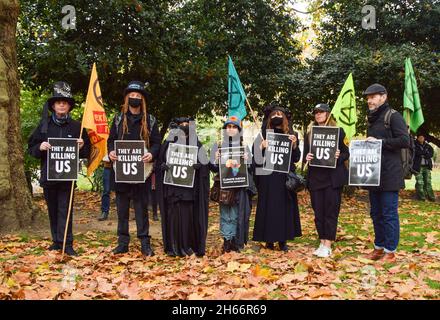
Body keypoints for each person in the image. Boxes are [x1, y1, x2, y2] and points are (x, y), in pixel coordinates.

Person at [27, 81, 91, 256]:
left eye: (65, 102)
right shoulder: (44, 125)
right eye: (58, 102)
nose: (61, 104)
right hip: (49, 176)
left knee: (66, 209)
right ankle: (56, 241)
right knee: (53, 209)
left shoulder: (78, 127)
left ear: (69, 106)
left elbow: (87, 152)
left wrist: (82, 145)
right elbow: (31, 148)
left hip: (68, 178)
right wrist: (40, 147)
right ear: (53, 105)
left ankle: (67, 243)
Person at [107, 81, 161, 256]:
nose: (135, 98)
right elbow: (110, 140)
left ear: (142, 100)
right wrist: (111, 152)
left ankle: (145, 242)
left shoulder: (150, 120)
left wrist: (151, 154)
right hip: (122, 171)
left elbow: (157, 143)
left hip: (142, 172)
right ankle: (122, 243)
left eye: (138, 96)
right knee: (122, 209)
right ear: (127, 98)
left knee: (141, 208)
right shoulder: (117, 119)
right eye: (132, 95)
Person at [363, 84, 410, 263]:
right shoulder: (372, 119)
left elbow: (404, 140)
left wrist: (379, 142)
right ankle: (378, 247)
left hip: (390, 174)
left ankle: (390, 251)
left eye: (373, 97)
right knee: (375, 213)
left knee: (389, 213)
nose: (369, 100)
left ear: (384, 97)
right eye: (368, 98)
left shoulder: (394, 116)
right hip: (373, 174)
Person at [156, 117, 210, 257]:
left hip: (189, 190)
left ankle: (188, 246)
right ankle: (173, 246)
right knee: (173, 217)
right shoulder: (169, 142)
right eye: (182, 125)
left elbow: (205, 164)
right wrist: (162, 166)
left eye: (187, 124)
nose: (185, 126)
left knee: (187, 218)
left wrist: (200, 166)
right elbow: (160, 161)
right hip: (172, 189)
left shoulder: (197, 144)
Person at [252, 105, 302, 251]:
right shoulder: (262, 136)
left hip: (284, 179)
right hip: (267, 179)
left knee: (284, 209)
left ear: (285, 118)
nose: (276, 116)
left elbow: (296, 158)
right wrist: (260, 147)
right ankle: (268, 240)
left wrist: (294, 145)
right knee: (269, 208)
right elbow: (254, 159)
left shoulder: (292, 135)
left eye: (280, 114)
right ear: (269, 118)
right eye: (274, 114)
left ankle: (283, 240)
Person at [303, 103, 349, 258]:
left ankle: (328, 244)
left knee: (330, 211)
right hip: (315, 179)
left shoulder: (339, 132)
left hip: (332, 179)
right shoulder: (310, 133)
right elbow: (305, 156)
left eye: (321, 112)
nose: (318, 114)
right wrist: (307, 157)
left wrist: (338, 155)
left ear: (328, 114)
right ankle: (322, 241)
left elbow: (346, 153)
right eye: (316, 112)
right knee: (318, 212)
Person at [210, 116, 255, 253]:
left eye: (234, 127)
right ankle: (226, 241)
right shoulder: (218, 146)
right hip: (224, 186)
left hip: (239, 187)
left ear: (238, 130)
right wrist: (215, 159)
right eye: (228, 127)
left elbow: (252, 168)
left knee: (236, 215)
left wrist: (248, 160)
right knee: (225, 215)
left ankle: (236, 241)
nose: (231, 129)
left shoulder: (244, 147)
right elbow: (212, 168)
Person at [413, 134, 436, 201]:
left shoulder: (427, 145)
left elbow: (431, 153)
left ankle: (431, 197)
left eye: (422, 137)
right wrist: (425, 152)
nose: (421, 138)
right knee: (420, 182)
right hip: (418, 167)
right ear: (417, 138)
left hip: (427, 166)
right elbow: (417, 153)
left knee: (428, 182)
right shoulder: (414, 145)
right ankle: (421, 198)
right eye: (420, 137)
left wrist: (425, 154)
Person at [98, 154, 113, 221]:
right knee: (106, 190)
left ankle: (124, 213)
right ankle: (104, 212)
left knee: (125, 190)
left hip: (121, 165)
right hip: (108, 166)